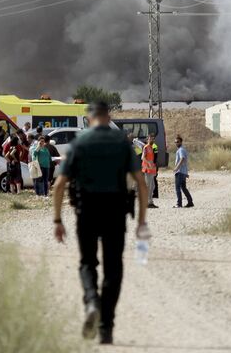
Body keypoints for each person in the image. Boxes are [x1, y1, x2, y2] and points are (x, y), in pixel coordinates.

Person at [52, 102, 149, 345]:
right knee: (113, 268)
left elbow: (59, 185)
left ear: (89, 118)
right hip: (115, 212)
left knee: (87, 263)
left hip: (86, 212)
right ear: (108, 117)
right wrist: (142, 221)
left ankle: (92, 302)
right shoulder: (122, 143)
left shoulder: (79, 143)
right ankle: (106, 328)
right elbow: (141, 183)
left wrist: (57, 220)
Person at [174, 135, 194, 208]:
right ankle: (190, 202)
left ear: (181, 142)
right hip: (183, 172)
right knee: (183, 188)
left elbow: (182, 158)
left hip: (179, 172)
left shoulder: (181, 150)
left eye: (178, 142)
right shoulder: (182, 149)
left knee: (177, 188)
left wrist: (176, 168)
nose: (176, 143)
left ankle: (179, 204)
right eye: (175, 142)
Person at [142, 134, 158, 208]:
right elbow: (143, 157)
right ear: (147, 140)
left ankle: (150, 202)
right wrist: (149, 163)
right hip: (147, 169)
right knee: (149, 186)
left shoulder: (152, 147)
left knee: (152, 186)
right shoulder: (146, 147)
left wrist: (153, 166)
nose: (152, 140)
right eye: (150, 139)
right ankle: (147, 202)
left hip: (152, 170)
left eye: (153, 139)